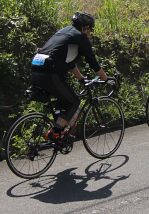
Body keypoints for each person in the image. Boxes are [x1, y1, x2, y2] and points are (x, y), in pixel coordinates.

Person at [30, 11, 115, 141]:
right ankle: (56, 131)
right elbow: (92, 62)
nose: (90, 33)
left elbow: (69, 62)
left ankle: (58, 130)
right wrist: (106, 78)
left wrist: (80, 79)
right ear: (85, 28)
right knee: (74, 100)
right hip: (50, 72)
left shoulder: (63, 32)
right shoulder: (80, 37)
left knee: (63, 98)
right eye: (90, 30)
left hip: (36, 68)